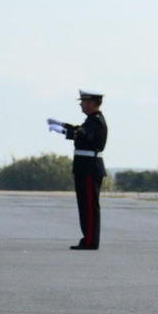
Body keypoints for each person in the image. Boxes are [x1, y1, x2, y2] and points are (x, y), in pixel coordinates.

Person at [54, 91, 107, 250]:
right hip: (85, 168)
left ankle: (90, 241)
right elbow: (81, 130)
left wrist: (64, 131)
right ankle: (87, 239)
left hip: (89, 168)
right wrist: (63, 125)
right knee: (85, 206)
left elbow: (85, 135)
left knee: (89, 207)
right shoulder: (91, 120)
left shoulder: (95, 121)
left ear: (92, 103)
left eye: (84, 101)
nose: (81, 104)